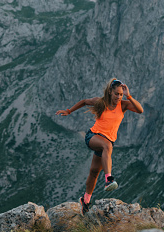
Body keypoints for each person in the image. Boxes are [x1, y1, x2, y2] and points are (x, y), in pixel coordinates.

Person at [55, 78, 143, 215]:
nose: (119, 97)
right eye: (116, 94)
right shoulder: (100, 102)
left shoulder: (123, 105)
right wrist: (69, 111)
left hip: (105, 144)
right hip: (93, 137)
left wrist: (129, 96)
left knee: (94, 172)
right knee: (107, 146)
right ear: (110, 92)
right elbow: (84, 101)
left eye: (121, 94)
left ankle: (85, 200)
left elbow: (140, 110)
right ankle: (108, 179)